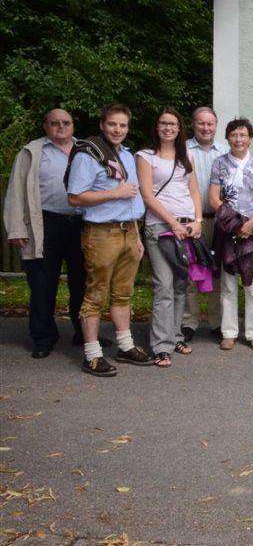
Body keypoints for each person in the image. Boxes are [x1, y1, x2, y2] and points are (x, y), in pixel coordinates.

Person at [4, 109, 98, 358]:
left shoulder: (87, 149)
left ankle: (84, 333)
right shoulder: (32, 152)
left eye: (65, 122)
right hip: (45, 223)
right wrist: (16, 228)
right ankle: (43, 338)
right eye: (54, 123)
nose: (60, 126)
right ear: (45, 126)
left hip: (82, 224)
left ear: (73, 125)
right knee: (42, 283)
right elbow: (15, 192)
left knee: (84, 281)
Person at [66, 103, 151, 377]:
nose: (117, 130)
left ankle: (125, 346)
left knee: (123, 293)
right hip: (101, 233)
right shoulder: (89, 153)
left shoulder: (126, 155)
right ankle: (91, 354)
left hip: (129, 231)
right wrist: (115, 193)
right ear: (103, 125)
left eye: (123, 125)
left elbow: (133, 198)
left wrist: (137, 235)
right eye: (113, 124)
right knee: (95, 295)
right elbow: (75, 196)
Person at [136, 108, 202, 367]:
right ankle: (160, 346)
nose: (168, 128)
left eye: (173, 124)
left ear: (179, 127)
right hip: (160, 228)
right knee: (163, 286)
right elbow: (147, 196)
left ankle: (175, 336)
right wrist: (172, 222)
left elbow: (194, 190)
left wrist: (197, 221)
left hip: (186, 229)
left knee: (179, 285)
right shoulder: (145, 156)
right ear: (157, 126)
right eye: (164, 123)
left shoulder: (185, 156)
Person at [209, 118, 253, 351]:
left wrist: (252, 222)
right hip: (228, 230)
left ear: (250, 138)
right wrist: (233, 223)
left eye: (243, 135)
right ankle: (229, 332)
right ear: (228, 138)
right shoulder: (219, 163)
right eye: (234, 135)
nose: (238, 139)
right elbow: (214, 197)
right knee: (228, 283)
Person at [183, 106, 228, 342]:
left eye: (210, 124)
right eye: (201, 123)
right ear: (193, 124)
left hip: (218, 221)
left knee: (217, 272)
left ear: (216, 125)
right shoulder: (182, 150)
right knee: (191, 273)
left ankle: (216, 322)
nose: (206, 128)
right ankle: (189, 322)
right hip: (190, 222)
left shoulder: (225, 151)